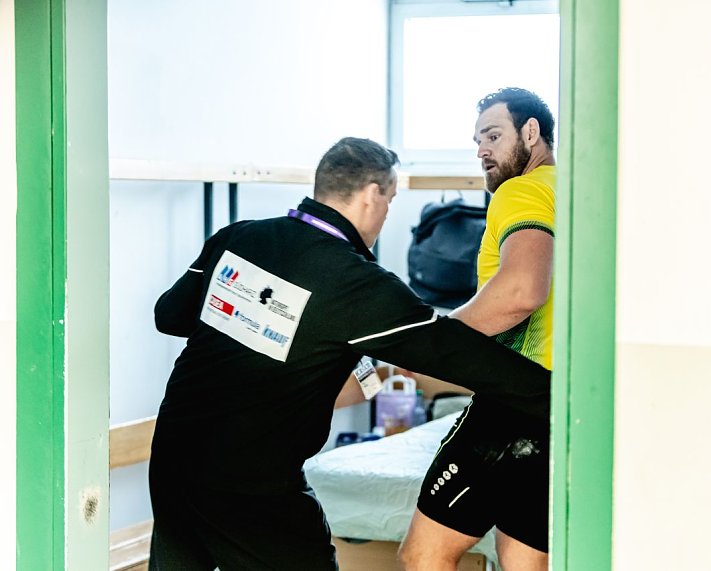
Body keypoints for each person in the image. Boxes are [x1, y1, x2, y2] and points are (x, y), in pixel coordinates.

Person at [147, 136, 551, 570]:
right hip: (251, 485)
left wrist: (249, 321)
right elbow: (454, 352)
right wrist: (557, 397)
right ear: (373, 194)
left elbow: (170, 315)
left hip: (172, 460)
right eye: (391, 199)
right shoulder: (358, 286)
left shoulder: (238, 237)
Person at [399, 88, 556, 571]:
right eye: (477, 140)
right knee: (521, 561)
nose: (482, 150)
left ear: (531, 133)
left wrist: (431, 344)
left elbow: (522, 291)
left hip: (511, 406)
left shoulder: (521, 190)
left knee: (423, 557)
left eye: (493, 135)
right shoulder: (573, 192)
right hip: (559, 407)